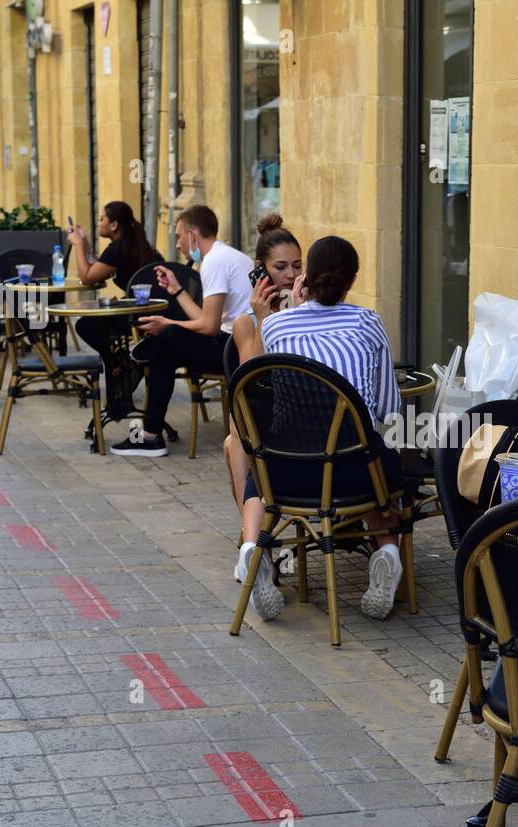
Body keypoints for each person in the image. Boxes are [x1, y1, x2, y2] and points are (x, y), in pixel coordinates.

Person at [233, 236, 405, 623]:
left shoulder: (275, 326)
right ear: (353, 279)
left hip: (286, 477)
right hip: (352, 477)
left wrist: (290, 310)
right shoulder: (367, 321)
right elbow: (387, 409)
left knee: (261, 470)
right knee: (377, 453)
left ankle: (250, 549)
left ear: (306, 275)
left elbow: (262, 385)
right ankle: (388, 554)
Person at [110, 205, 251, 457]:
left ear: (192, 234)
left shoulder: (214, 261)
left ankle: (147, 430)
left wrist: (168, 325)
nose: (177, 244)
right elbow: (210, 321)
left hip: (235, 350)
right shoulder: (224, 255)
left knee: (164, 342)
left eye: (178, 236)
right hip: (233, 341)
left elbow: (208, 327)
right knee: (163, 346)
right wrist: (176, 290)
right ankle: (149, 431)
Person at [222, 213, 303, 513]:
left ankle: (254, 534)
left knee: (235, 438)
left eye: (297, 266)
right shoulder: (247, 321)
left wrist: (299, 309)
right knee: (234, 438)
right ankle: (254, 538)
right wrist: (264, 318)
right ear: (260, 270)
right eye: (280, 267)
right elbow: (252, 378)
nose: (291, 275)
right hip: (267, 413)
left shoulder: (309, 309)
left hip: (306, 409)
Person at [68, 201, 162, 373]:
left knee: (86, 325)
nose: (98, 223)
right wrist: (86, 243)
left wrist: (78, 245)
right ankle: (120, 361)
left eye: (101, 218)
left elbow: (88, 277)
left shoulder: (119, 247)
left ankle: (119, 362)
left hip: (140, 317)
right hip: (153, 310)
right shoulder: (131, 242)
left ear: (114, 225)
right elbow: (99, 267)